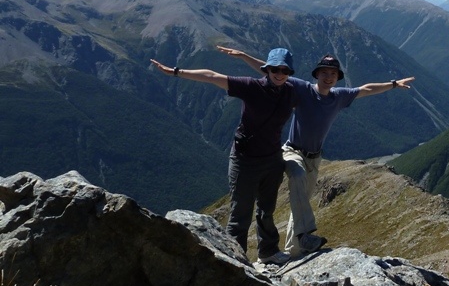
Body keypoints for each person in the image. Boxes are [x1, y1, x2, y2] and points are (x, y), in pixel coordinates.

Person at [216, 45, 415, 257]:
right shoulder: (302, 89)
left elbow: (366, 89)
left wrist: (393, 84)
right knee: (298, 176)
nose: (328, 77)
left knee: (301, 201)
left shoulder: (339, 97)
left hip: (315, 158)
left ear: (337, 77)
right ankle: (305, 235)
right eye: (324, 73)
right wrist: (244, 56)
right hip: (293, 151)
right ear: (316, 75)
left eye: (333, 74)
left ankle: (294, 251)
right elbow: (272, 70)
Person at [150, 48, 297, 266]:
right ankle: (235, 262)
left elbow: (321, 90)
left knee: (267, 210)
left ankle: (268, 252)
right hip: (245, 160)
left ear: (289, 72)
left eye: (284, 70)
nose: (279, 73)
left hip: (272, 159)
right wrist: (176, 72)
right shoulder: (251, 87)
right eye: (275, 69)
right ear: (267, 69)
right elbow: (211, 76)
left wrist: (245, 56)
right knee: (240, 215)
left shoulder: (291, 90)